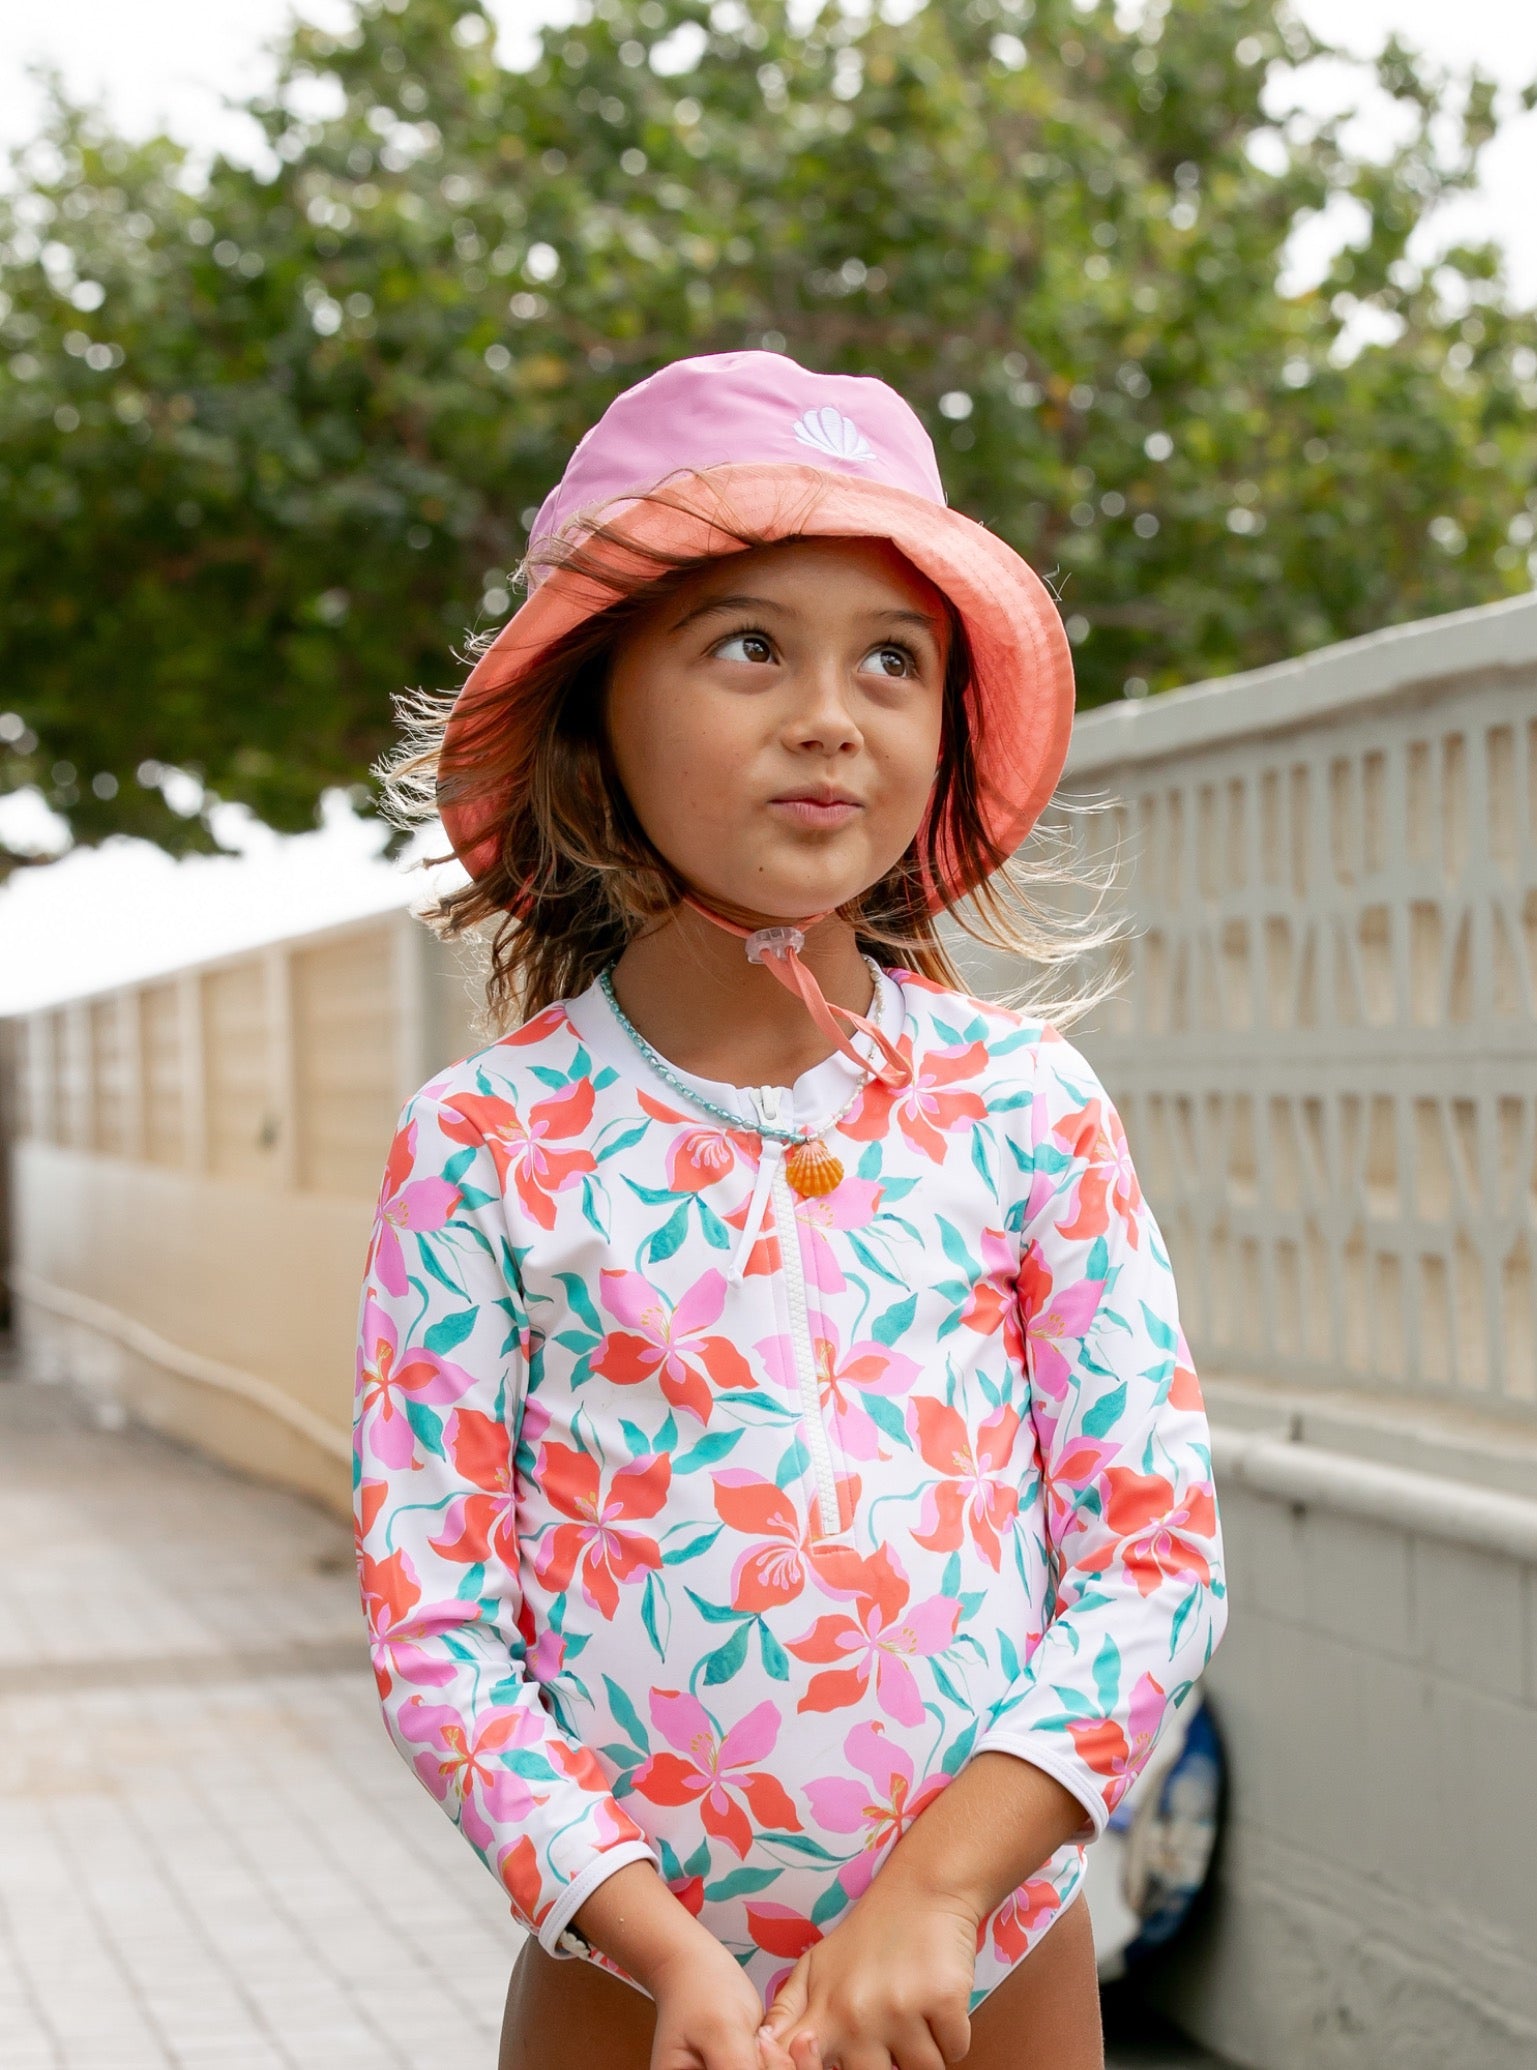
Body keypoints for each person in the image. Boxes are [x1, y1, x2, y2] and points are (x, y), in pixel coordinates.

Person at [355, 350, 1226, 2070]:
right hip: (629, 1997)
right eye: (751, 645)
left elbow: (1155, 1558)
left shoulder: (1027, 1111)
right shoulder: (482, 1144)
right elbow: (436, 1626)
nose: (832, 713)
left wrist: (942, 1893)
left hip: (988, 1974)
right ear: (598, 701)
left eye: (893, 657)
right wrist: (655, 1942)